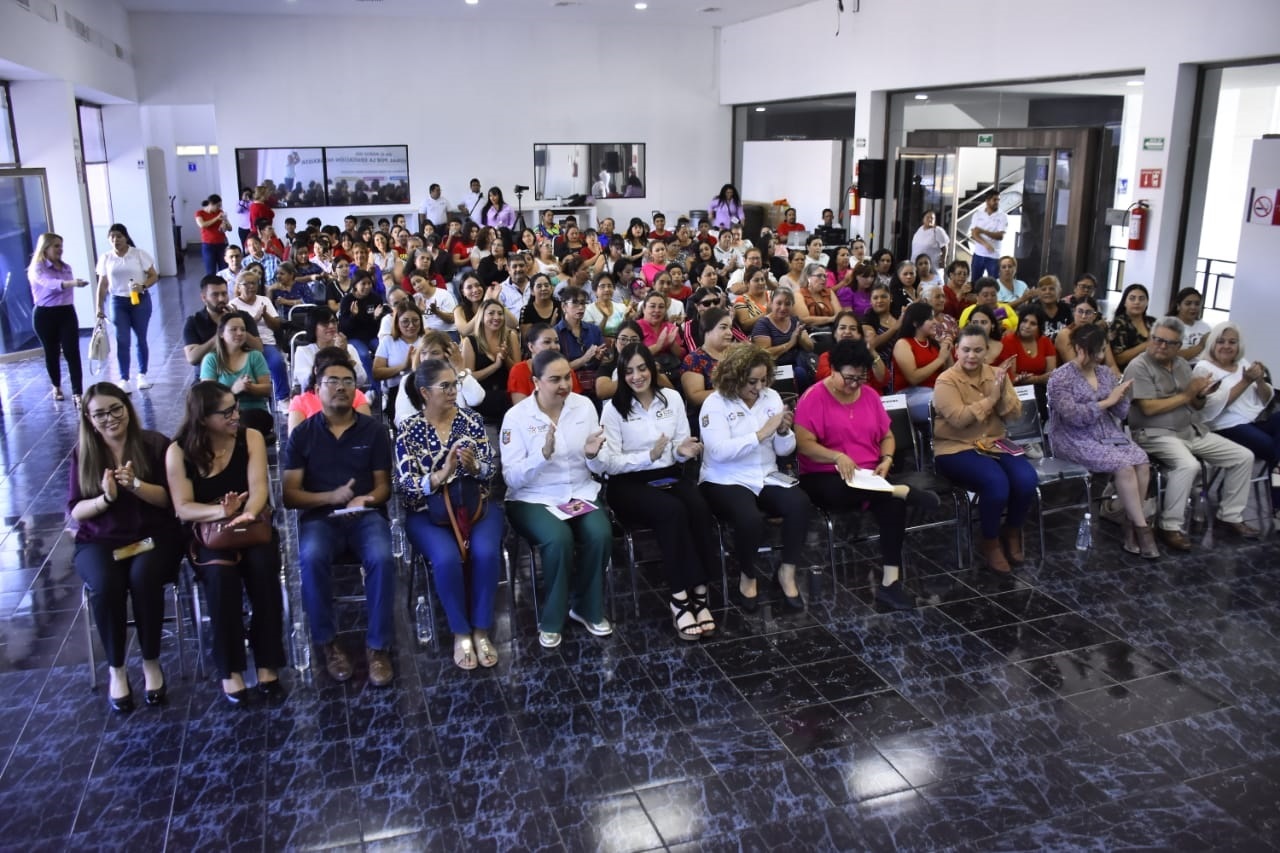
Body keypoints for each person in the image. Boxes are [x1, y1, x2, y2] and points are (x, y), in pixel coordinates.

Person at [283, 349, 397, 686]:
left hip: (365, 515)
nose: (341, 387)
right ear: (316, 388)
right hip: (321, 518)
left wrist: (367, 498)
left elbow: (384, 487)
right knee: (311, 557)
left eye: (348, 381)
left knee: (382, 557)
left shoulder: (373, 431)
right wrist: (329, 498)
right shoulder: (303, 434)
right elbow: (290, 495)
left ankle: (378, 647)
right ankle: (328, 643)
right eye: (332, 381)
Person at [166, 381, 286, 702]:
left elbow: (259, 489)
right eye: (227, 412)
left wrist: (247, 514)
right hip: (207, 532)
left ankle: (267, 661)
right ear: (204, 418)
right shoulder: (178, 452)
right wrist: (220, 512)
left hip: (250, 523)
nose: (236, 415)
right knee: (220, 577)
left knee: (263, 567)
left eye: (236, 407)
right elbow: (183, 507)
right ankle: (230, 668)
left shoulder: (251, 438)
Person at [68, 383, 181, 711]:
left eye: (115, 409)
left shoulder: (154, 444)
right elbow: (76, 510)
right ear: (89, 419)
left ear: (127, 408)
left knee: (143, 577)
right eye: (100, 414)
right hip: (101, 541)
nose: (110, 418)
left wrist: (135, 485)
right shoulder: (83, 453)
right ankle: (116, 669)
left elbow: (170, 501)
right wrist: (105, 499)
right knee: (106, 585)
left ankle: (151, 662)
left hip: (150, 538)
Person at [795, 339, 929, 610]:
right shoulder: (814, 397)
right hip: (824, 474)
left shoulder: (869, 396)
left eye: (860, 378)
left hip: (867, 475)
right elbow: (804, 444)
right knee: (844, 490)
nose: (854, 384)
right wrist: (836, 456)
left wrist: (887, 458)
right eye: (848, 378)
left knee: (893, 506)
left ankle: (890, 584)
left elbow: (887, 436)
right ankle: (899, 490)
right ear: (833, 369)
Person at [599, 344, 717, 639]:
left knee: (699, 506)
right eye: (629, 371)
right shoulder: (613, 409)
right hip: (627, 483)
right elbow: (609, 463)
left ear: (652, 369)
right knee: (671, 511)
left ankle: (700, 591)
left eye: (642, 368)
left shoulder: (672, 398)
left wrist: (682, 451)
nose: (637, 376)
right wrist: (647, 457)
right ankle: (679, 597)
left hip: (667, 474)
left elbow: (677, 447)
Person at [396, 359, 505, 670]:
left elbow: (491, 470)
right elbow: (406, 489)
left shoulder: (471, 420)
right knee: (445, 559)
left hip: (475, 507)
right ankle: (460, 632)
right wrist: (439, 476)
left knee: (486, 552)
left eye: (454, 384)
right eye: (444, 386)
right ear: (424, 392)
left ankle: (481, 629)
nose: (453, 391)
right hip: (427, 514)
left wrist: (475, 467)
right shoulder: (408, 430)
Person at [501, 349, 613, 649]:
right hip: (532, 498)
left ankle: (586, 607)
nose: (564, 385)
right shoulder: (517, 417)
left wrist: (592, 455)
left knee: (600, 533)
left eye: (567, 377)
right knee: (558, 539)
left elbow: (599, 465)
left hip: (578, 490)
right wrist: (542, 455)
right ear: (536, 382)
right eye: (555, 379)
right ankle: (552, 618)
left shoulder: (584, 407)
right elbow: (511, 478)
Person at [1122, 316, 1258, 551]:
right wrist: (1187, 395)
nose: (1161, 346)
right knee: (1188, 465)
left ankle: (1230, 515)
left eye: (1169, 343)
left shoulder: (1182, 365)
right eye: (1157, 339)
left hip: (1190, 429)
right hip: (1155, 432)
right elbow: (1148, 408)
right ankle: (1170, 526)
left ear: (1178, 346)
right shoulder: (1139, 365)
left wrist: (1201, 394)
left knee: (1243, 456)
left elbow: (1196, 405)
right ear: (1151, 339)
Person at [699, 344, 813, 611]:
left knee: (799, 504)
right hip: (725, 477)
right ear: (734, 377)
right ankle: (748, 574)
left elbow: (784, 450)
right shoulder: (715, 403)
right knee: (749, 518)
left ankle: (787, 570)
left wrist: (783, 432)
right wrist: (761, 434)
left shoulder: (771, 397)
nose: (759, 387)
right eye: (752, 382)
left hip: (765, 473)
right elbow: (718, 451)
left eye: (763, 380)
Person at [1047, 325, 1158, 558]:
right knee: (1123, 466)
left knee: (1141, 460)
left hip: (1106, 432)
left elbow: (1120, 413)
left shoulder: (1105, 373)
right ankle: (1141, 529)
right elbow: (1074, 416)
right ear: (1079, 348)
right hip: (1073, 437)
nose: (1099, 356)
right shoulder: (1060, 378)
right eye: (1094, 351)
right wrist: (1107, 402)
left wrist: (1123, 395)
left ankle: (1131, 524)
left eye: (1102, 350)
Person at [932, 325, 1036, 573]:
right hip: (956, 447)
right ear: (956, 351)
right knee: (996, 484)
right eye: (966, 350)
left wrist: (1002, 394)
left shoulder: (997, 374)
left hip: (993, 442)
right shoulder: (946, 380)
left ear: (986, 351)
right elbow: (959, 419)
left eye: (978, 350)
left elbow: (1014, 414)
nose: (972, 355)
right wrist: (990, 399)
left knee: (1027, 480)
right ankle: (989, 541)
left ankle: (1012, 532)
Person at [1192, 322, 1279, 510]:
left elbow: (1265, 399)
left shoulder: (1242, 364)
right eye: (1221, 341)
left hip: (1252, 421)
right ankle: (1278, 503)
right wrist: (1245, 381)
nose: (1226, 346)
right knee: (1274, 450)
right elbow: (1212, 407)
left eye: (1232, 342)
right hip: (1224, 425)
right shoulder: (1203, 367)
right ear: (1212, 344)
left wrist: (1259, 381)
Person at [95, 223, 159, 393]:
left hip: (139, 300)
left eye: (119, 236)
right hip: (118, 301)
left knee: (141, 337)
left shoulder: (138, 254)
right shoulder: (106, 258)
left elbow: (154, 275)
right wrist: (99, 307)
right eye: (112, 237)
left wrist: (143, 286)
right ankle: (124, 378)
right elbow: (102, 284)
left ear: (126, 237)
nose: (116, 240)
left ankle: (142, 374)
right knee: (122, 339)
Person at [28, 232, 89, 405]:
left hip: (66, 313)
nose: (60, 249)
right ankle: (56, 386)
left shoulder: (66, 267)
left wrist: (72, 283)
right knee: (52, 352)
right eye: (56, 246)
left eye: (61, 246)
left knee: (72, 352)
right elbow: (49, 284)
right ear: (45, 248)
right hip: (45, 315)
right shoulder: (37, 268)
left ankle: (78, 392)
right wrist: (72, 283)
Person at [199, 313, 275, 436]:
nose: (239, 333)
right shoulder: (211, 359)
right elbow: (208, 397)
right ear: (221, 334)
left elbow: (267, 389)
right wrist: (233, 390)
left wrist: (250, 387)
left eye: (243, 330)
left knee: (246, 422)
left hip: (254, 411)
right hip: (223, 414)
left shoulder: (255, 356)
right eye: (233, 329)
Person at [228, 271, 289, 409]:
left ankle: (283, 398)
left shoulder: (264, 300)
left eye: (254, 283)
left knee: (277, 362)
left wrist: (265, 315)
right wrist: (253, 320)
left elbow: (277, 326)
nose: (251, 287)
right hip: (243, 345)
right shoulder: (233, 305)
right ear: (239, 287)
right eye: (246, 284)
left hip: (266, 342)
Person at [893, 302, 953, 421]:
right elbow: (913, 378)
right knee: (945, 398)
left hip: (936, 391)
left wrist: (947, 352)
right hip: (909, 396)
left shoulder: (934, 344)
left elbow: (950, 374)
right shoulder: (903, 344)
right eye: (930, 319)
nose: (935, 322)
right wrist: (940, 359)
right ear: (916, 323)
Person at [463, 299, 521, 425]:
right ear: (481, 317)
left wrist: (506, 359)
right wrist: (495, 366)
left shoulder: (510, 336)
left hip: (508, 398)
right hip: (482, 399)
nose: (497, 317)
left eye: (500, 313)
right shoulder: (470, 341)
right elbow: (469, 378)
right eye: (491, 313)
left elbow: (518, 373)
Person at [556, 287, 606, 398]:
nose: (580, 307)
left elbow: (604, 360)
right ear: (564, 307)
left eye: (583, 303)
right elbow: (557, 369)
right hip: (568, 388)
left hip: (594, 386)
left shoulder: (594, 330)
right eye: (575, 303)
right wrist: (585, 358)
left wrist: (600, 356)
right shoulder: (556, 333)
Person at [816, 310, 886, 385]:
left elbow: (883, 380)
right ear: (835, 334)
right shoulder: (826, 357)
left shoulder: (868, 355)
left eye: (853, 329)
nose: (847, 332)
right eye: (842, 328)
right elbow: (830, 381)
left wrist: (872, 351)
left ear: (860, 335)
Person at [1054, 297, 1118, 372]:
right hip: (1072, 376)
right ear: (1074, 312)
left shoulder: (1099, 333)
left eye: (1088, 312)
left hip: (1099, 375)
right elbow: (1075, 367)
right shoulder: (1065, 334)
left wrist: (1117, 377)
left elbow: (1112, 365)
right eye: (1080, 311)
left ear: (1095, 316)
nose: (1083, 316)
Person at [1109, 283, 1156, 370]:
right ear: (1125, 302)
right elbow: (1119, 359)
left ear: (1147, 302)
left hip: (1152, 368)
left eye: (1141, 299)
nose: (1137, 302)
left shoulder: (1153, 322)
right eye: (1132, 298)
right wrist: (1147, 344)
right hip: (1128, 371)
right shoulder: (1119, 324)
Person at [968, 194, 1006, 280]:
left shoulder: (1002, 216)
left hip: (994, 256)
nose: (997, 202)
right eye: (995, 200)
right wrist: (985, 244)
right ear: (987, 201)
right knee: (975, 282)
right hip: (978, 254)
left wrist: (982, 231)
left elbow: (1000, 236)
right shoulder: (978, 214)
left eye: (998, 200)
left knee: (994, 283)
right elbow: (974, 234)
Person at [1025, 275, 1072, 341]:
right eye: (1043, 289)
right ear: (1038, 292)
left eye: (1052, 289)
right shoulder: (1032, 309)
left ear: (1059, 291)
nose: (1047, 292)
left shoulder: (1066, 308)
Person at [195, 195, 232, 276]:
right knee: (211, 270)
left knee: (224, 269)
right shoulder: (200, 213)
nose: (219, 208)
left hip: (222, 244)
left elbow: (230, 228)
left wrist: (225, 221)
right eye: (217, 206)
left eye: (220, 206)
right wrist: (216, 218)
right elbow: (202, 225)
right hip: (208, 245)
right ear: (211, 204)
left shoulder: (220, 212)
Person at [1172, 288, 1212, 363]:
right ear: (1178, 306)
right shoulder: (1170, 326)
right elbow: (1174, 356)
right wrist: (1201, 345)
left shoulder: (1205, 327)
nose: (1193, 307)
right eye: (1188, 303)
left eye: (1197, 304)